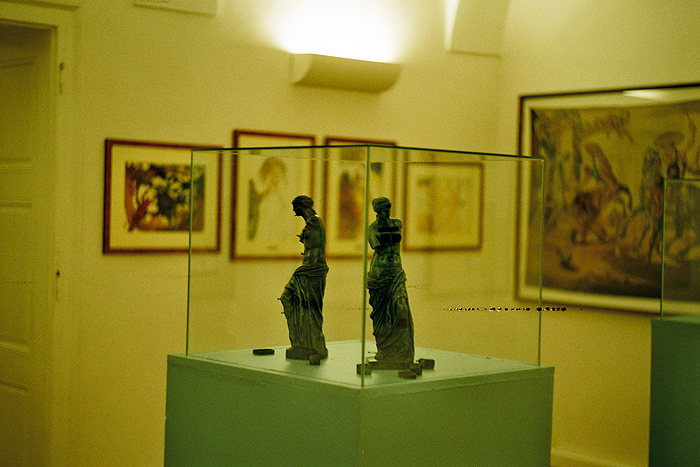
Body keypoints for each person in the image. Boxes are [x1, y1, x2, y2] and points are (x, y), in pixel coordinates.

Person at [280, 195, 329, 360]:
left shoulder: (314, 222)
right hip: (307, 269)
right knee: (289, 298)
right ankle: (300, 342)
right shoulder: (311, 223)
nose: (293, 210)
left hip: (313, 269)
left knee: (310, 308)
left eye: (295, 206)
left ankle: (315, 347)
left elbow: (315, 244)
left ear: (301, 207)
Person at [367, 197, 414, 363]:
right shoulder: (372, 229)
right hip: (380, 274)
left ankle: (402, 351)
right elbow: (378, 247)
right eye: (384, 209)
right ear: (378, 211)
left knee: (401, 309)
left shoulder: (397, 223)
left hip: (396, 273)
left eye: (389, 208)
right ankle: (384, 349)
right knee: (382, 314)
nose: (387, 212)